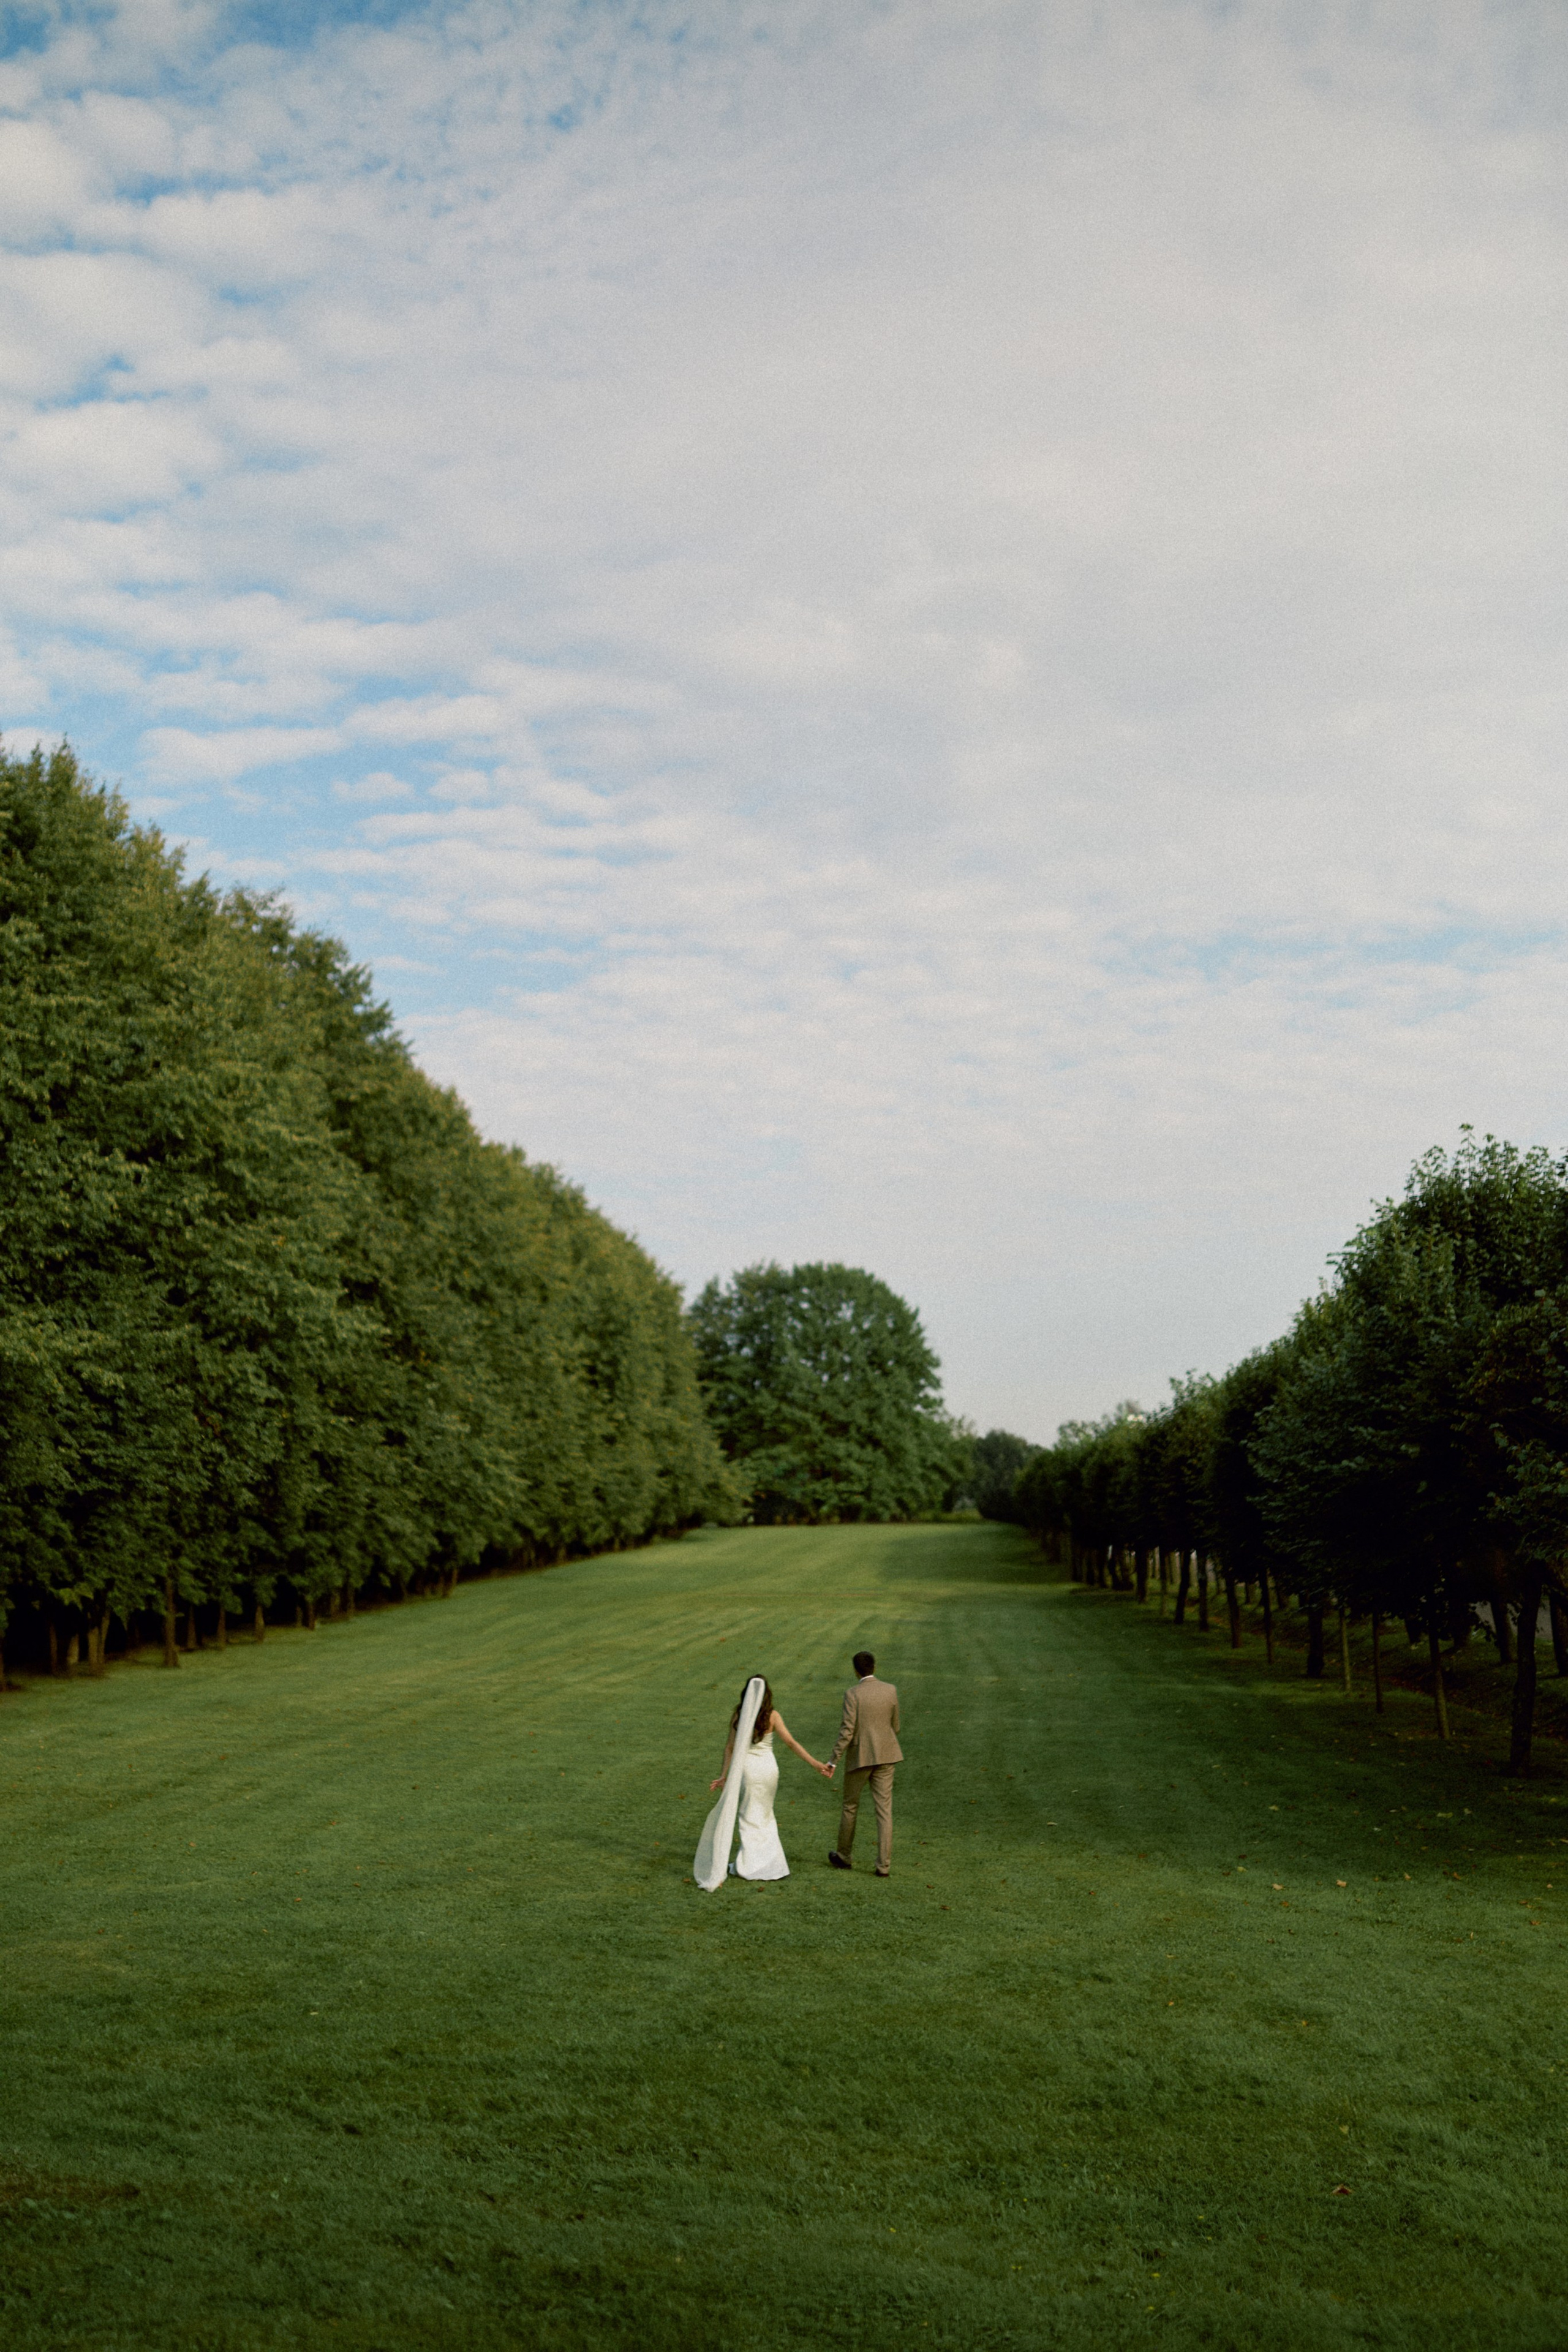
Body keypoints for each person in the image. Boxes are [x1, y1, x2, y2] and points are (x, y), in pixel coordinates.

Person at [692, 1674, 832, 1891]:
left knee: (748, 1816)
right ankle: (768, 1864)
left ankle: (751, 1865)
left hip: (747, 1771)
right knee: (765, 1815)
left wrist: (724, 1775)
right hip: (768, 1770)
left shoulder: (739, 1715)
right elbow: (791, 1743)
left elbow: (729, 1747)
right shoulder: (772, 1716)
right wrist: (815, 1763)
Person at [824, 1649, 902, 1876]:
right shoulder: (890, 1690)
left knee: (850, 1806)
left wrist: (833, 1760)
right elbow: (895, 1726)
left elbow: (847, 1732)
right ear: (874, 1668)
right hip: (888, 1755)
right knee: (884, 1811)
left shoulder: (852, 1694)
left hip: (860, 1758)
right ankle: (883, 1866)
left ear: (856, 1670)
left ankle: (844, 1856)